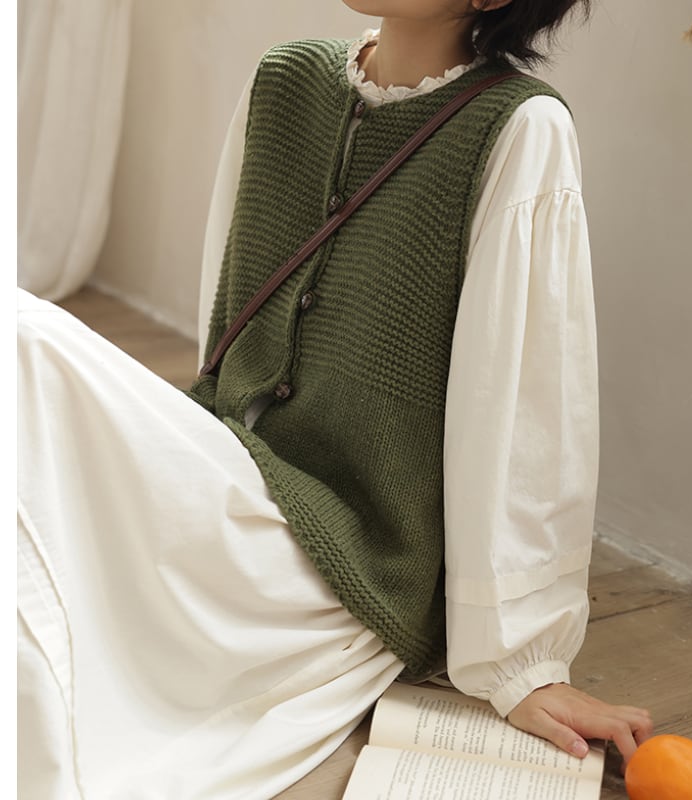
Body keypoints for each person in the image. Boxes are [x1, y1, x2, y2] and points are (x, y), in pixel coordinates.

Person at [17, 1, 653, 797]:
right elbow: (225, 321)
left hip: (340, 564)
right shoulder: (282, 80)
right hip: (228, 486)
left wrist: (524, 662)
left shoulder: (521, 129)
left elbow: (526, 412)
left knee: (24, 340)